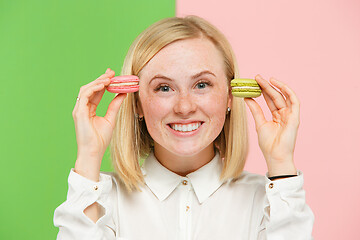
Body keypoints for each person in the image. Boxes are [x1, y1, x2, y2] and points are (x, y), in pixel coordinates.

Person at [54, 15, 314, 239]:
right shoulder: (101, 199)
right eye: (164, 88)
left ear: (228, 97)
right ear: (137, 104)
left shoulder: (269, 200)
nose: (184, 107)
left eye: (202, 85)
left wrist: (281, 165)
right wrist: (88, 156)